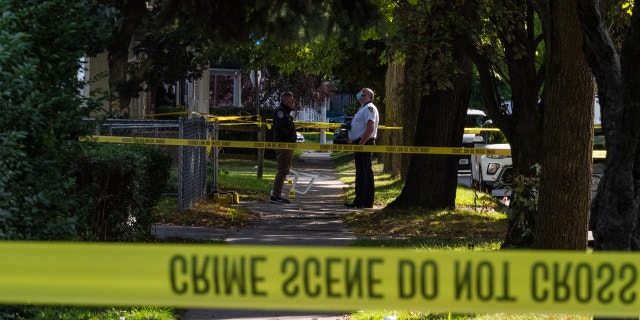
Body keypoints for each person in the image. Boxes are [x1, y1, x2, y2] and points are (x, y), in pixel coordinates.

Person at [345, 88, 379, 208]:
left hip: (365, 143)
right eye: (360, 93)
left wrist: (361, 144)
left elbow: (370, 128)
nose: (361, 95)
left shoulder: (370, 108)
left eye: (364, 94)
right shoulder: (363, 108)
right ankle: (365, 201)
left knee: (363, 173)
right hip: (362, 143)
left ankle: (361, 201)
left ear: (370, 97)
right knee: (364, 172)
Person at [270, 91, 297, 204]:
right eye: (291, 101)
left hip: (287, 145)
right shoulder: (280, 112)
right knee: (282, 170)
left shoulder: (285, 112)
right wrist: (290, 136)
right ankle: (276, 196)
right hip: (283, 144)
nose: (293, 103)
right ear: (285, 101)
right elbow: (281, 128)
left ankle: (277, 194)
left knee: (284, 170)